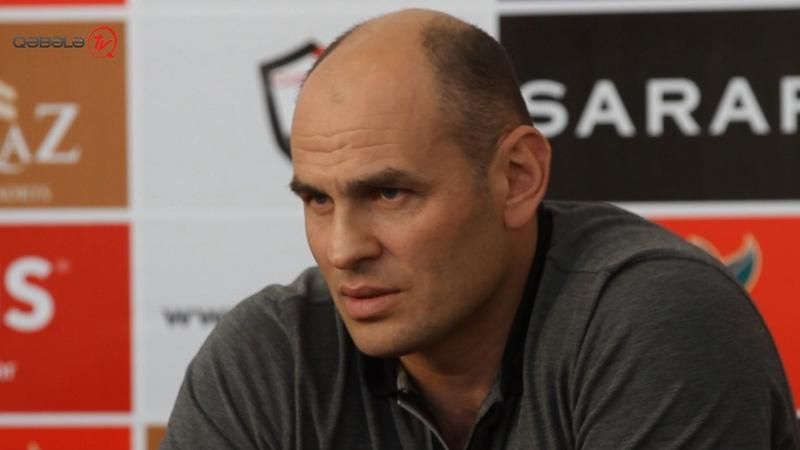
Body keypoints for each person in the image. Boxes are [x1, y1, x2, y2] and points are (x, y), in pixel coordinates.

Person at [161, 8, 799, 450]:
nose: (343, 249)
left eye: (389, 193)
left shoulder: (655, 316)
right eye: (318, 200)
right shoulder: (272, 357)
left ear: (517, 177)